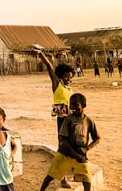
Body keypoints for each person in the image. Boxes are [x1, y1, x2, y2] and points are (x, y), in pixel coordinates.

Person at [40, 93, 101, 191]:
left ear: (84, 105)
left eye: (76, 105)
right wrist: (74, 154)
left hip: (80, 156)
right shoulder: (68, 119)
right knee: (50, 176)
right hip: (65, 154)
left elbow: (97, 138)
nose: (73, 107)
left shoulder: (89, 121)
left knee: (87, 181)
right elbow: (63, 139)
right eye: (71, 105)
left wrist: (86, 148)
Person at [34, 49, 75, 188]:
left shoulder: (70, 89)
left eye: (71, 76)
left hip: (71, 122)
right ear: (60, 76)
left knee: (74, 147)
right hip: (62, 121)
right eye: (66, 76)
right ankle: (63, 179)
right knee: (63, 149)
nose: (69, 79)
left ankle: (76, 173)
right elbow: (50, 68)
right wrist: (41, 55)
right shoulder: (57, 85)